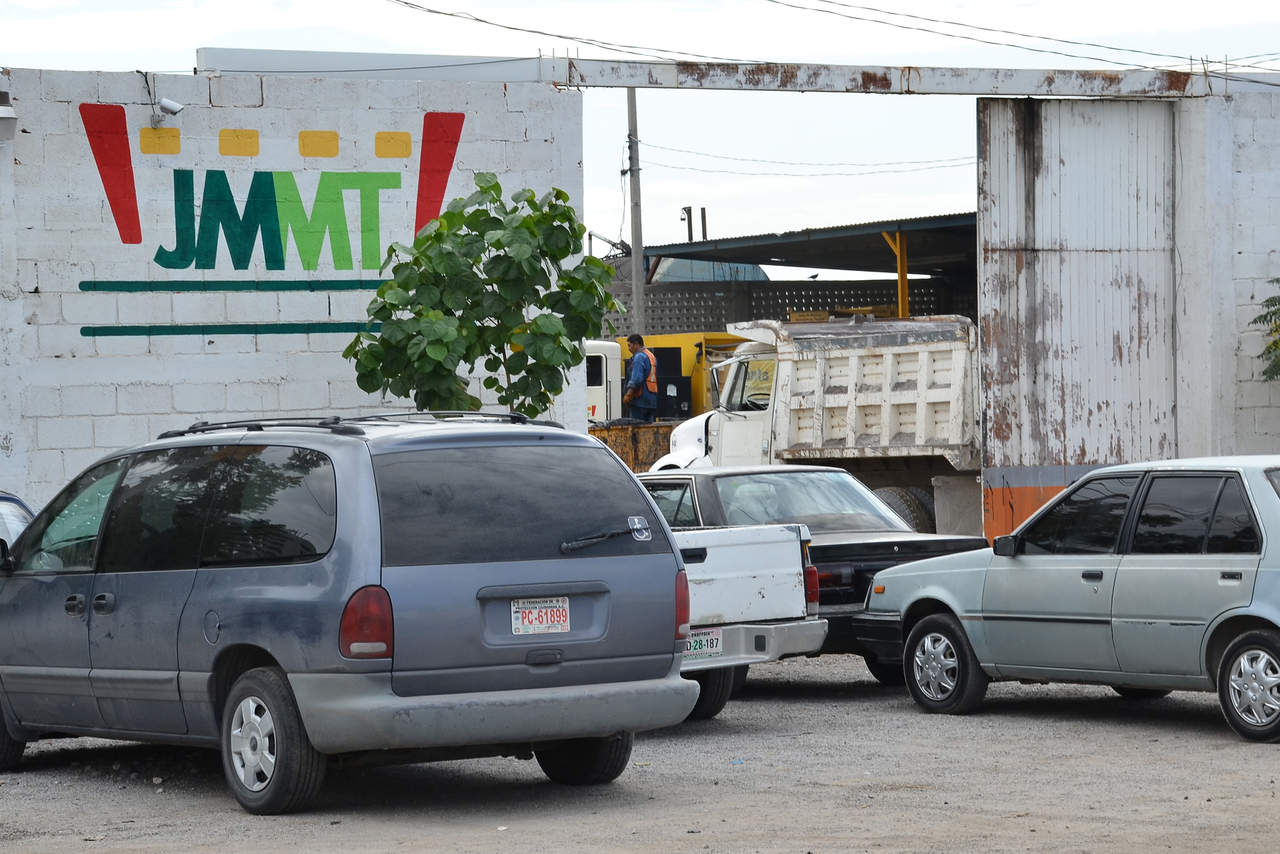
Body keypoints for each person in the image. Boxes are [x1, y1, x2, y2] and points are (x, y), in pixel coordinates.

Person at [622, 333, 658, 423]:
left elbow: (637, 379)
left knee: (637, 427)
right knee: (648, 427)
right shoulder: (651, 356)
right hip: (651, 400)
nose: (628, 348)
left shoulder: (639, 357)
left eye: (629, 345)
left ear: (636, 344)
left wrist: (628, 395)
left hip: (639, 399)